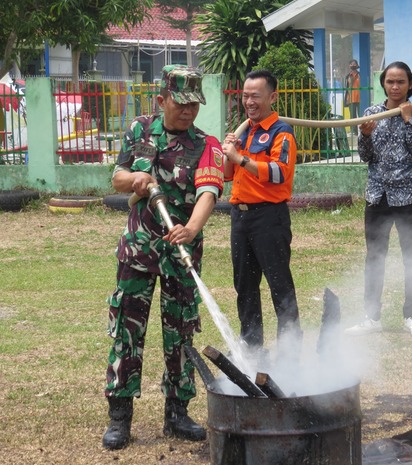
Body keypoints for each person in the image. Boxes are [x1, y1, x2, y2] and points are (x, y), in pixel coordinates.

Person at [102, 65, 225, 450]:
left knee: (181, 332)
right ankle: (120, 416)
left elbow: (209, 191)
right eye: (181, 103)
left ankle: (177, 412)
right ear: (162, 100)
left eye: (194, 105)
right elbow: (117, 177)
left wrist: (192, 227)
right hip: (138, 251)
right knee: (127, 330)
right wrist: (136, 180)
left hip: (181, 252)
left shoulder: (207, 144)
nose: (188, 111)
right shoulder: (139, 130)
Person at [345, 61, 412, 336]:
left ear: (410, 85)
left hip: (408, 196)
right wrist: (365, 136)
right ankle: (371, 317)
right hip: (378, 196)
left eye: (400, 82)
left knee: (411, 258)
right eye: (390, 81)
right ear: (383, 83)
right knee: (375, 258)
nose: (395, 87)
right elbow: (366, 157)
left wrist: (408, 120)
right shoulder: (371, 113)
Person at [221, 69, 302, 359]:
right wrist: (229, 152)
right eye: (245, 96)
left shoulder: (282, 133)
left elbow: (280, 173)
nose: (249, 102)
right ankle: (251, 345)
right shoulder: (246, 132)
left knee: (279, 285)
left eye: (255, 96)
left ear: (272, 97)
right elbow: (228, 174)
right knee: (244, 285)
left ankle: (290, 351)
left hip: (270, 218)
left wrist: (240, 157)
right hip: (240, 217)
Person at [344, 59, 361, 134]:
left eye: (354, 64)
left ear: (357, 66)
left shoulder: (360, 75)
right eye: (351, 64)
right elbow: (347, 89)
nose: (353, 65)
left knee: (362, 116)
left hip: (360, 98)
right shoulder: (348, 76)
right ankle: (354, 132)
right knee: (352, 117)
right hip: (351, 99)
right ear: (349, 66)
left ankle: (362, 132)